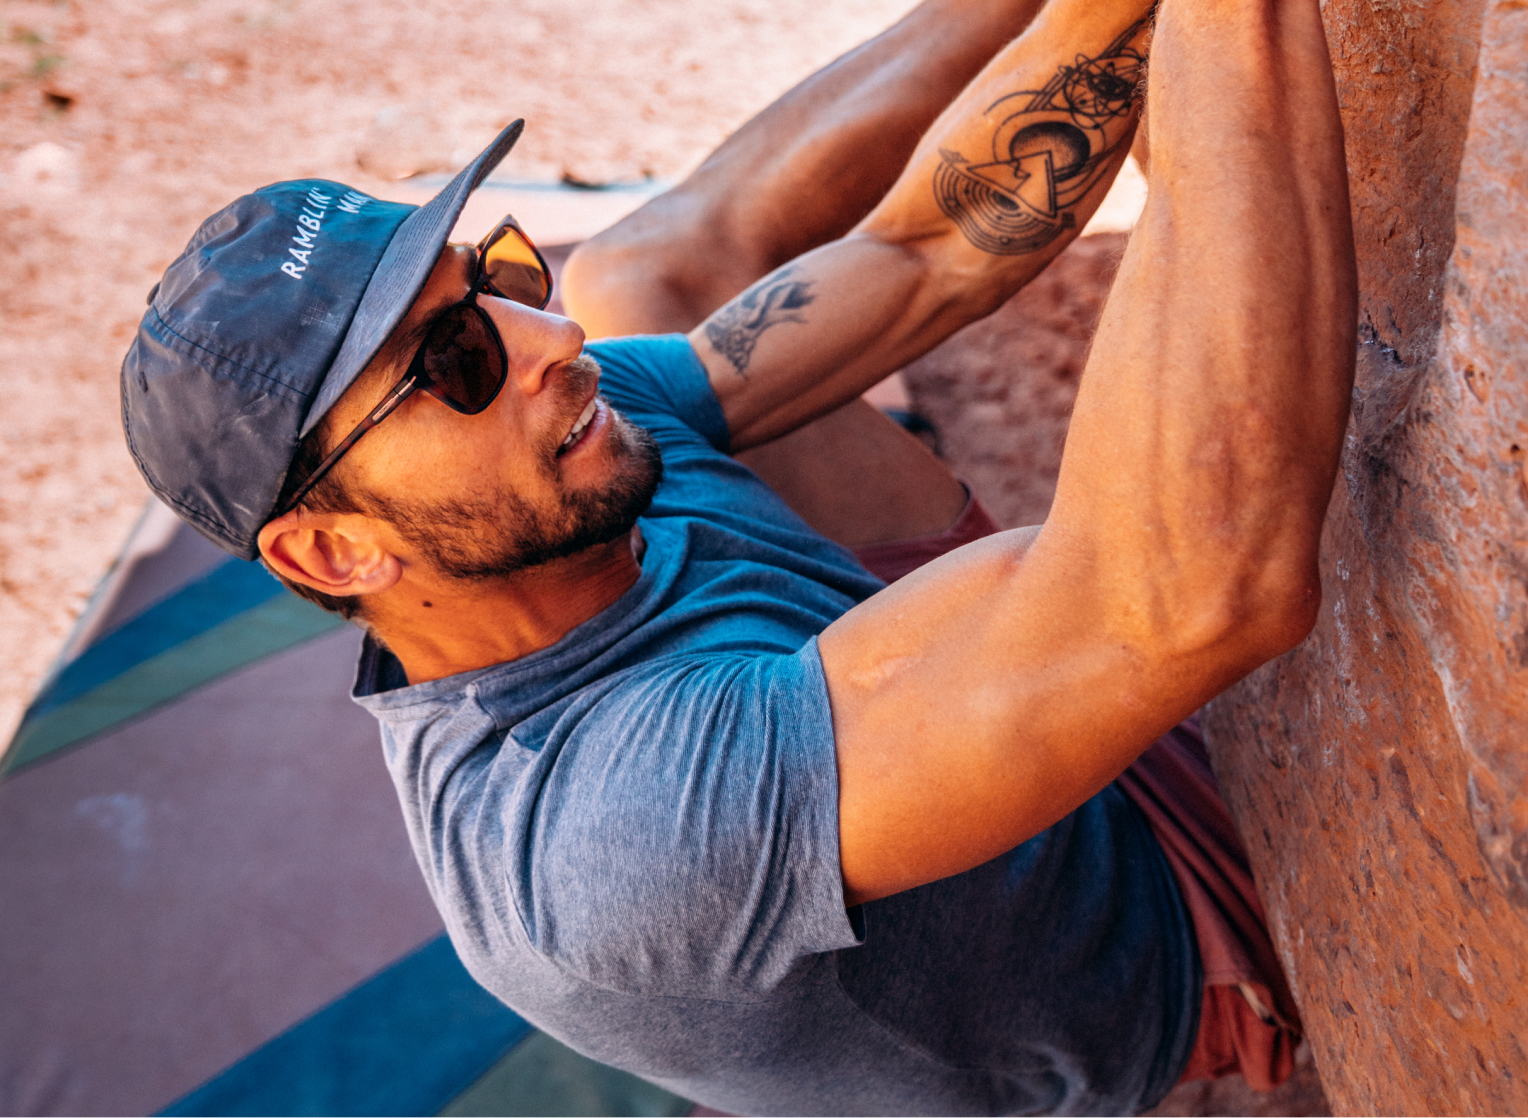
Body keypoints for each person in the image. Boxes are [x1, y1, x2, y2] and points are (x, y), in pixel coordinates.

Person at [120, 0, 1355, 1107]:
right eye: (457, 362)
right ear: (335, 549)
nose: (548, 335)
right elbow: (1201, 586)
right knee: (1134, 572)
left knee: (640, 280)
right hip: (1189, 936)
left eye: (494, 277)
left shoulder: (574, 451)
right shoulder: (597, 843)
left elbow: (918, 258)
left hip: (1017, 753)